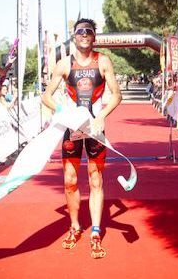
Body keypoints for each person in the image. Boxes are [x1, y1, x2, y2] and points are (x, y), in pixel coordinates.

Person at [42, 18, 122, 259]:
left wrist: (102, 116)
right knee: (70, 181)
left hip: (95, 129)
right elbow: (46, 96)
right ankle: (75, 226)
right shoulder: (64, 64)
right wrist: (62, 113)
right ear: (74, 36)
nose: (85, 35)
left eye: (89, 31)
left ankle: (95, 231)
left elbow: (117, 95)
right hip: (72, 130)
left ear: (94, 36)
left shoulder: (103, 61)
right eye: (80, 32)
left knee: (95, 181)